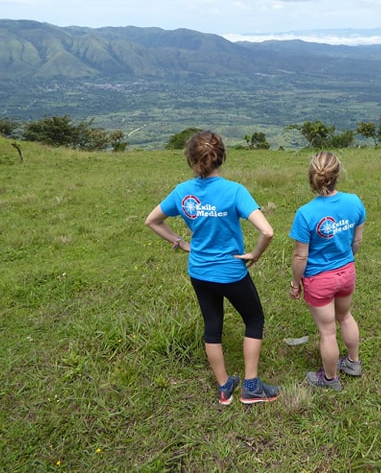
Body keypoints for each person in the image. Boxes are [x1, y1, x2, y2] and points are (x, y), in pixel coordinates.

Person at [145, 130, 279, 405]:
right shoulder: (234, 191)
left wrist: (180, 242)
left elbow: (152, 221)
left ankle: (223, 388)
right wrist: (254, 254)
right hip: (231, 271)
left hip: (199, 272)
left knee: (212, 326)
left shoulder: (182, 192)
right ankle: (251, 386)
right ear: (221, 158)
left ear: (191, 160)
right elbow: (267, 232)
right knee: (254, 320)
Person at [289, 151, 366, 391]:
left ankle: (330, 379)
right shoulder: (354, 202)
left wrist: (295, 282)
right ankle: (353, 362)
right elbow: (357, 241)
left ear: (312, 177)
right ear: (337, 174)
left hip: (319, 279)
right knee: (346, 317)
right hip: (346, 272)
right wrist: (347, 258)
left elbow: (301, 255)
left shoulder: (305, 214)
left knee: (327, 331)